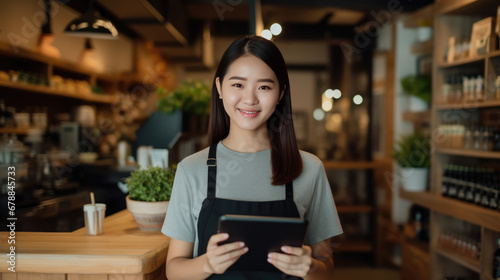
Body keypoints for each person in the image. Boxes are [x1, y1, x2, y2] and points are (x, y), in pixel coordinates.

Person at [162, 35, 342, 280]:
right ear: (219, 88)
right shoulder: (191, 169)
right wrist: (207, 264)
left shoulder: (309, 169)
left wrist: (310, 267)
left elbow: (327, 268)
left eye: (264, 87)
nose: (250, 99)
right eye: (237, 85)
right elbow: (173, 270)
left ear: (280, 94)